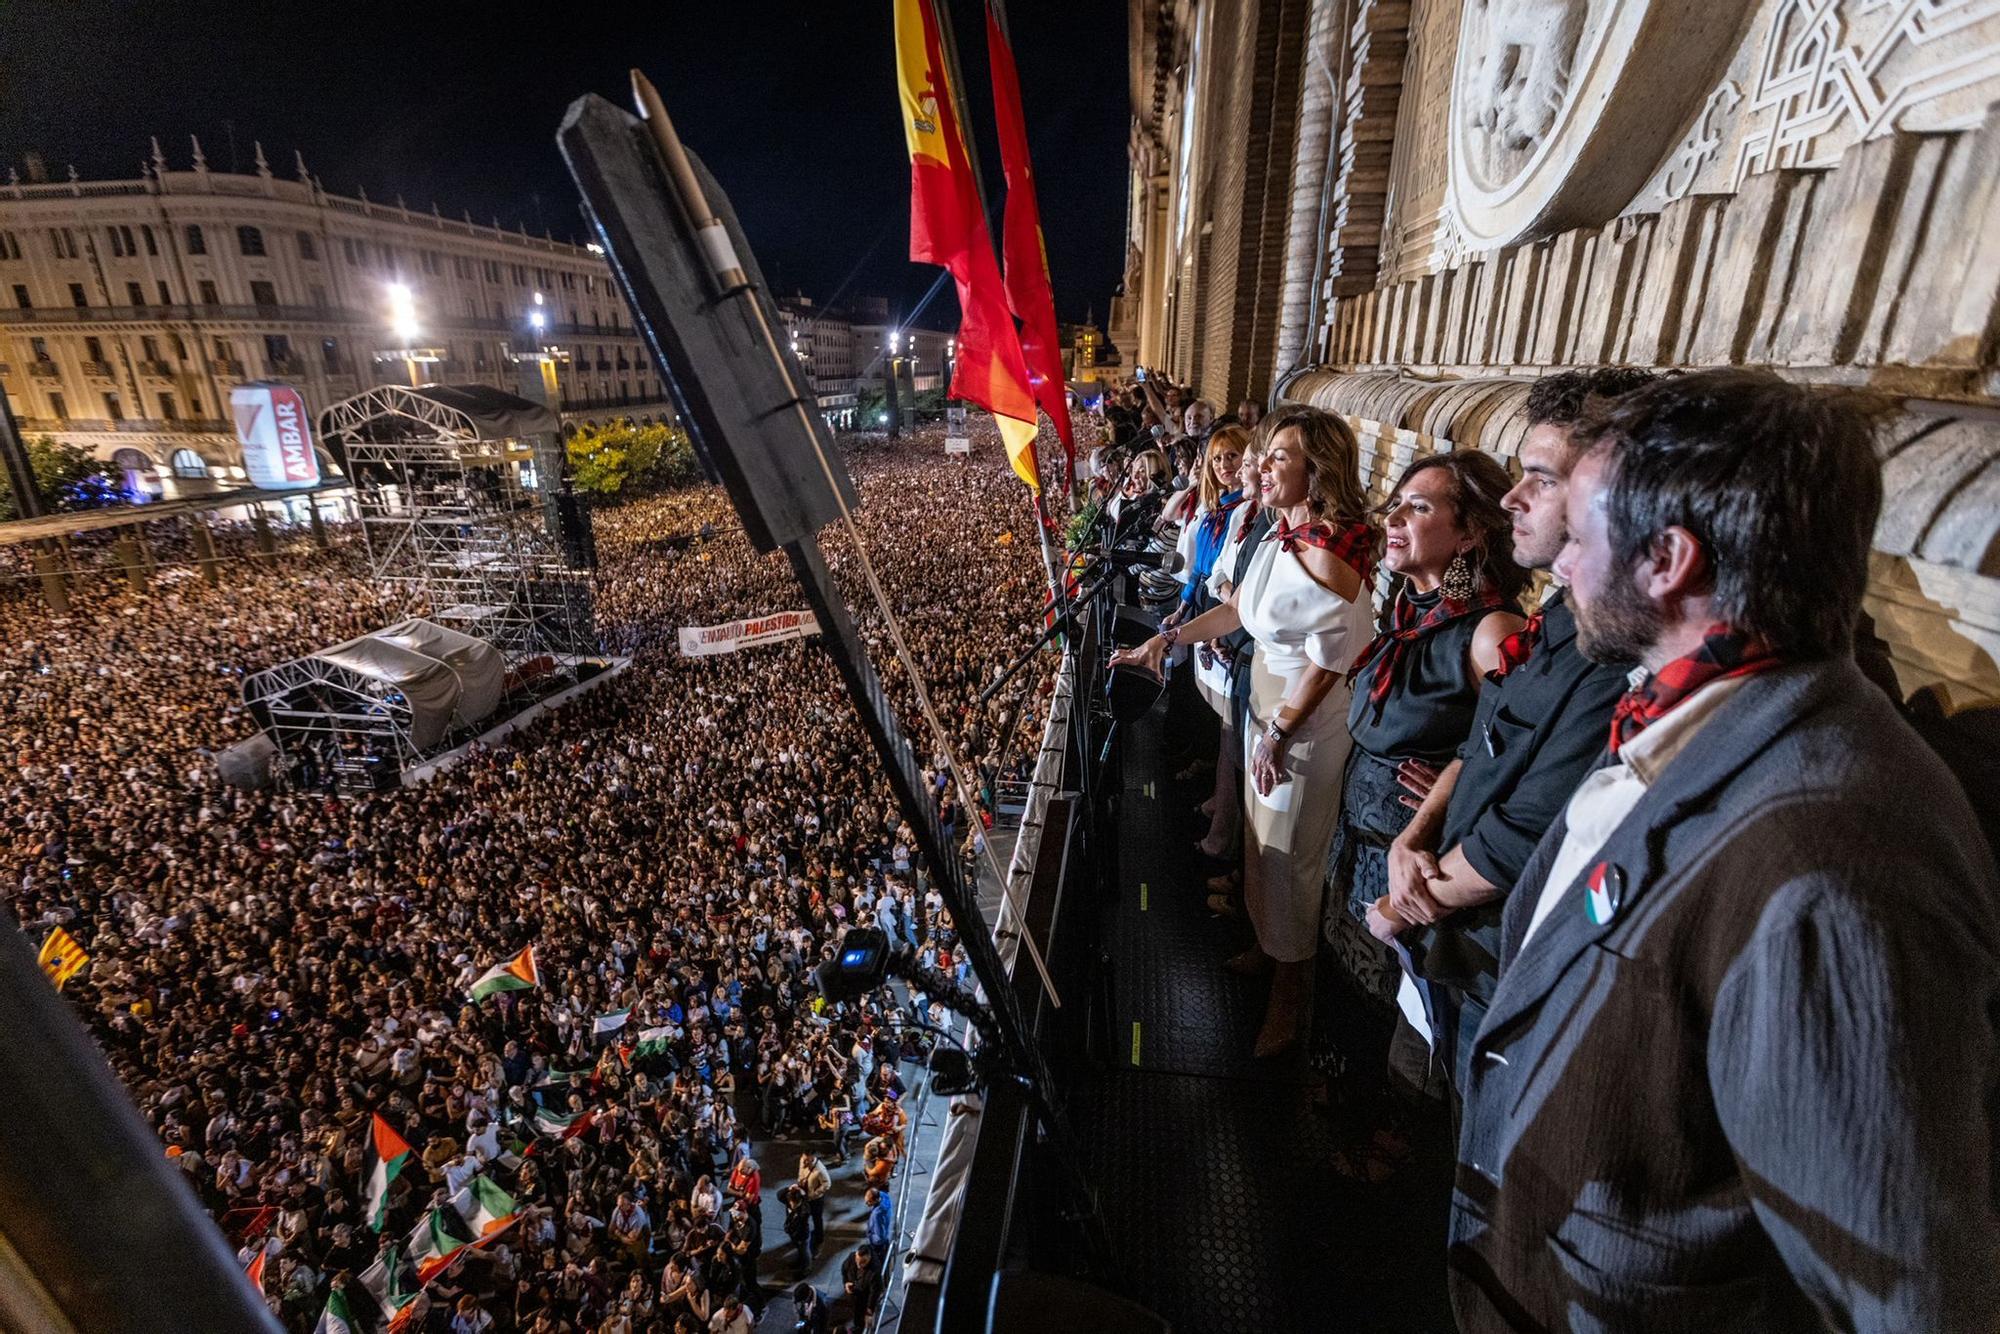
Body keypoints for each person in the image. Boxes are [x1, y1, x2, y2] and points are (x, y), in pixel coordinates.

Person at [1450, 369, 2000, 1330]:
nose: (1564, 566)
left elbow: (1898, 1289)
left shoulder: (1831, 864)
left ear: (1666, 559)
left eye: (1579, 538)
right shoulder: (1688, 718)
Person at [1380, 369, 1655, 1093]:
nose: (1514, 497)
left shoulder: (1523, 631)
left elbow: (1525, 830)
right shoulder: (1547, 616)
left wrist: (1403, 895)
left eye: (1540, 478)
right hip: (1416, 871)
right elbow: (1485, 742)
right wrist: (1415, 835)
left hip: (1484, 942)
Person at [1114, 405, 1377, 1056]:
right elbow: (1236, 609)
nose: (1260, 466)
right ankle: (1268, 946)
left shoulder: (1328, 555)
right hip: (1268, 706)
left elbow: (1329, 660)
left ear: (1319, 472)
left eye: (1279, 456)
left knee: (1290, 856)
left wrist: (1280, 733)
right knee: (1260, 848)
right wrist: (1165, 639)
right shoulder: (1276, 531)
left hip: (1304, 723)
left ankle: (1291, 1001)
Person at [1311, 450, 1527, 1103]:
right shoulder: (1410, 610)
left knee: (1397, 1032)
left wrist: (1451, 790)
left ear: (1470, 534)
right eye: (1395, 504)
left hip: (1410, 873)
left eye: (1419, 506)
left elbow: (1521, 761)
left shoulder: (1491, 631)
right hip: (1356, 846)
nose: (1394, 518)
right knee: (1348, 1011)